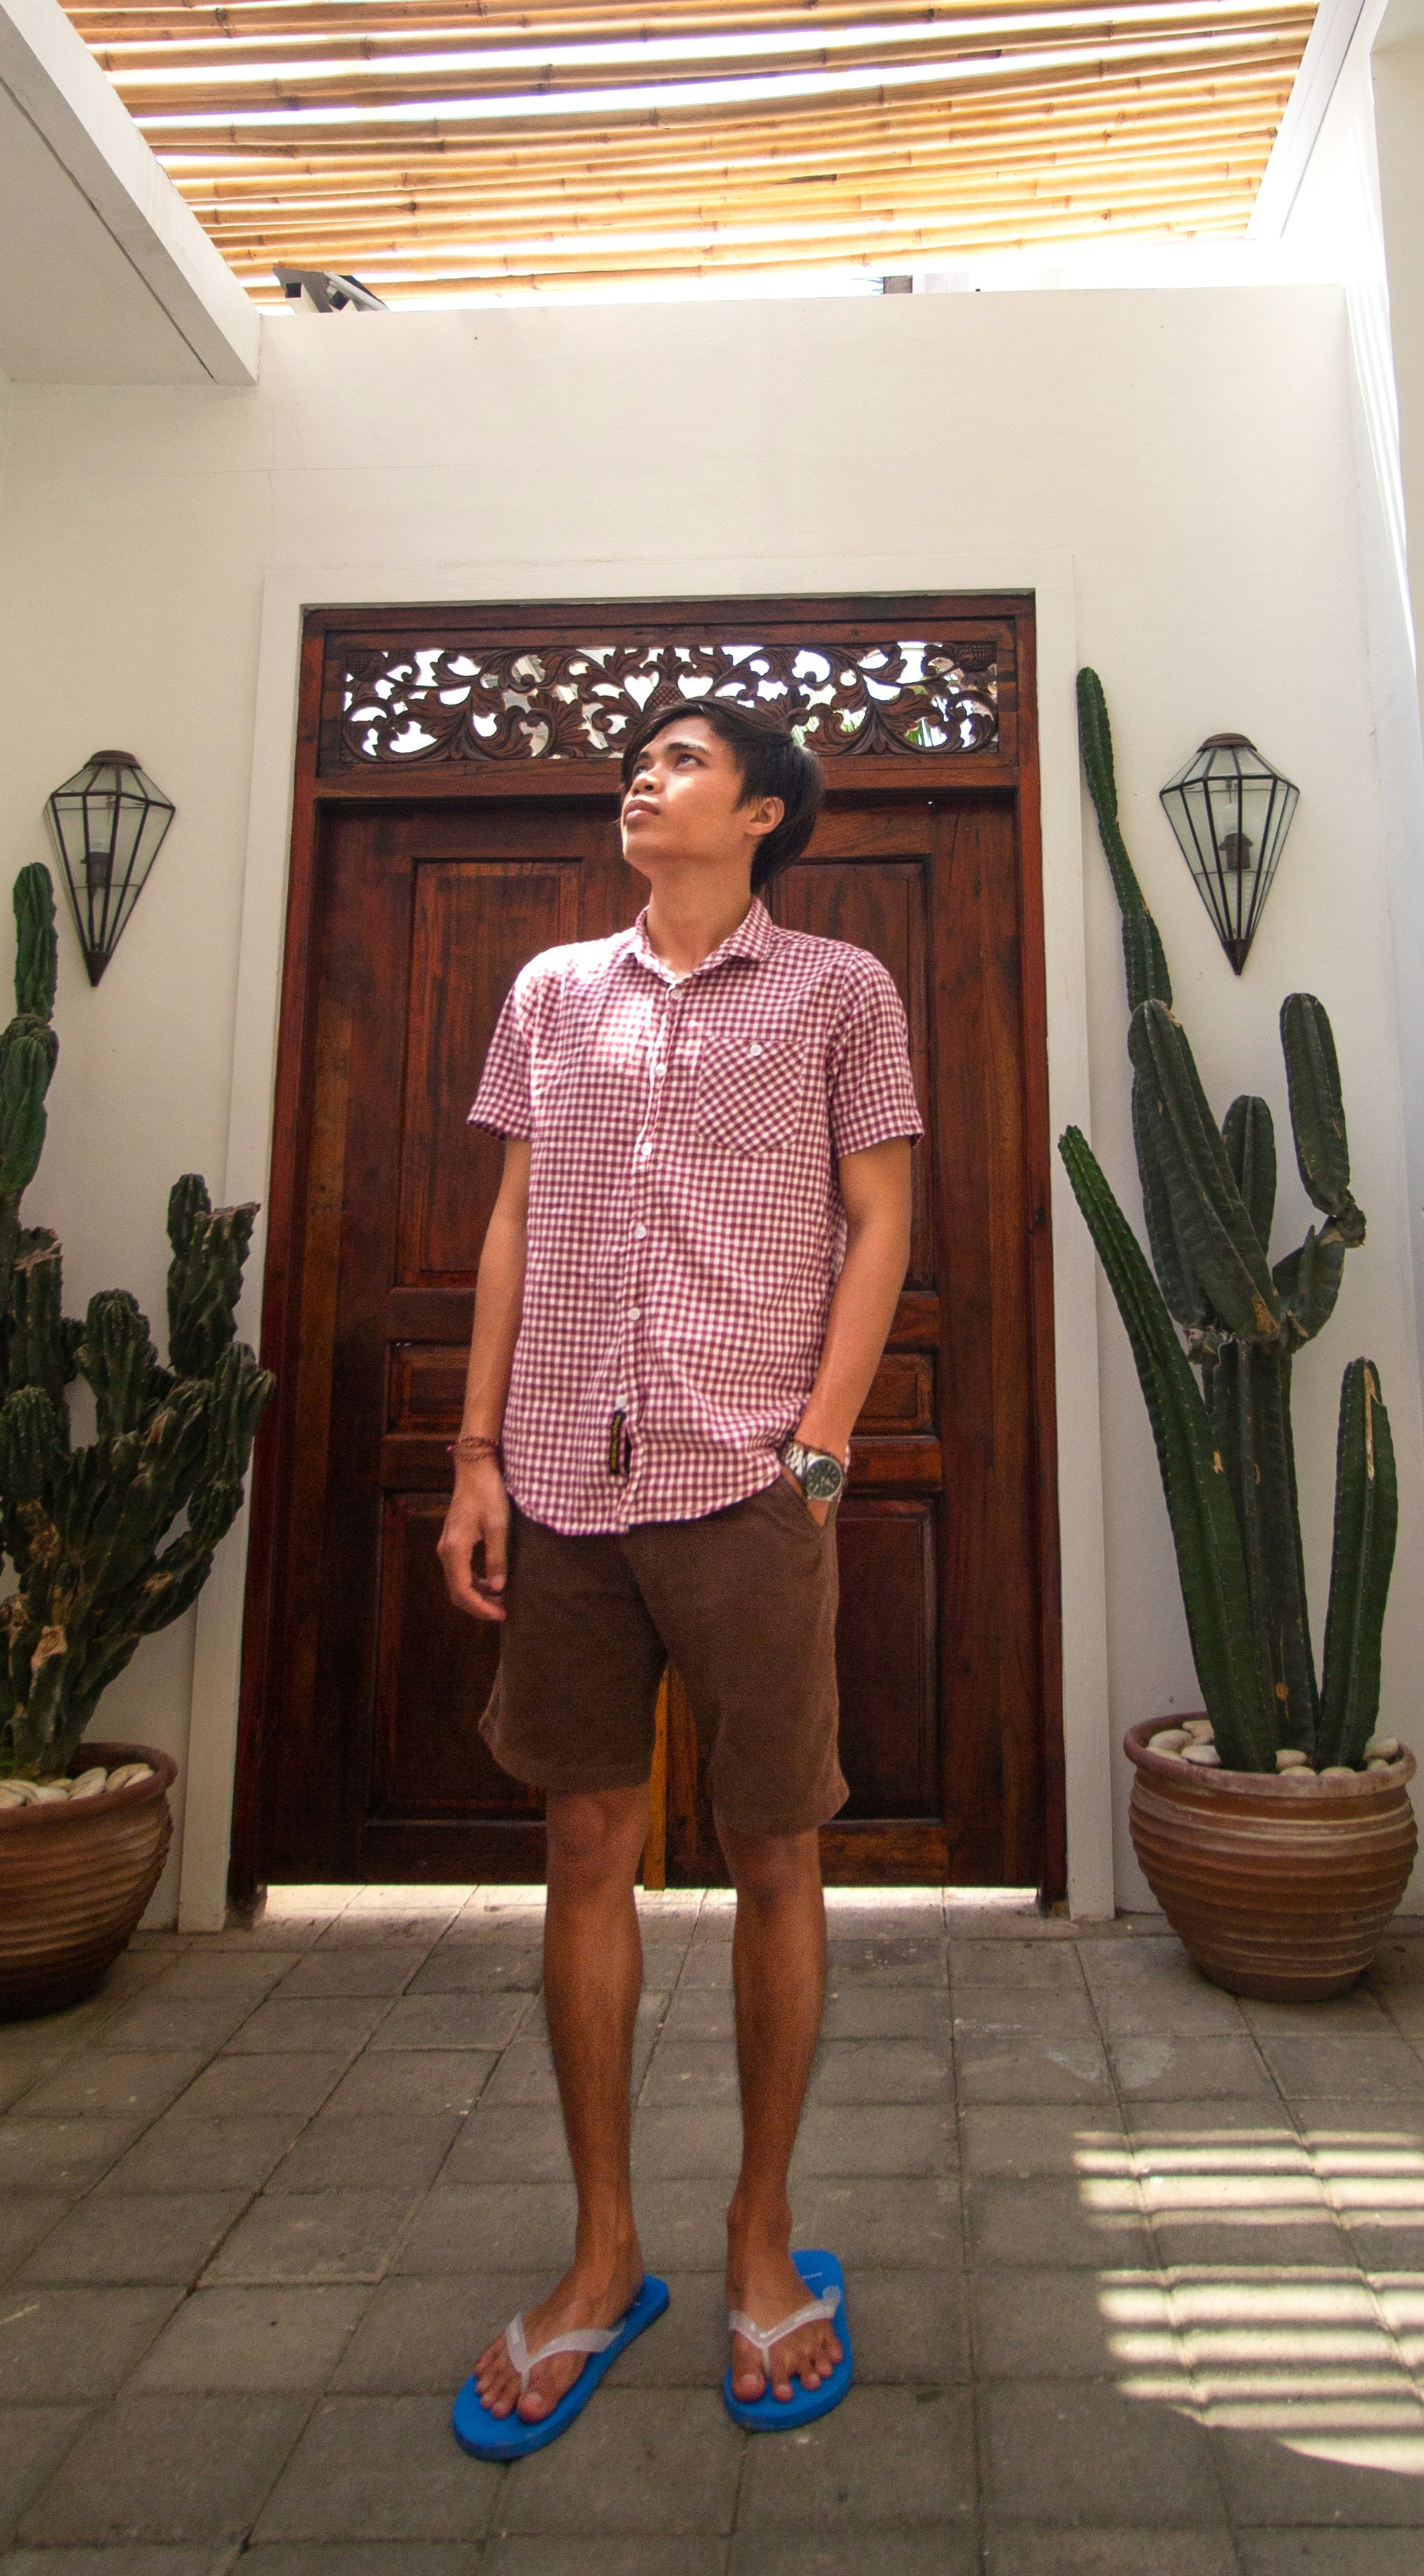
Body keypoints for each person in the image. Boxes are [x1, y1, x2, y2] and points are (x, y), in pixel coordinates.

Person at [437, 694, 920, 2456]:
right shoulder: (550, 989)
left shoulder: (840, 993)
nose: (643, 778)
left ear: (768, 814)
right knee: (584, 1840)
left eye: (684, 762)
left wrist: (821, 1442)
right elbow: (509, 1216)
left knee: (777, 1843)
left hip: (743, 1478)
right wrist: (477, 1451)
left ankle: (760, 2228)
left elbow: (883, 1214)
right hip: (560, 1471)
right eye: (637, 762)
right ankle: (602, 2251)